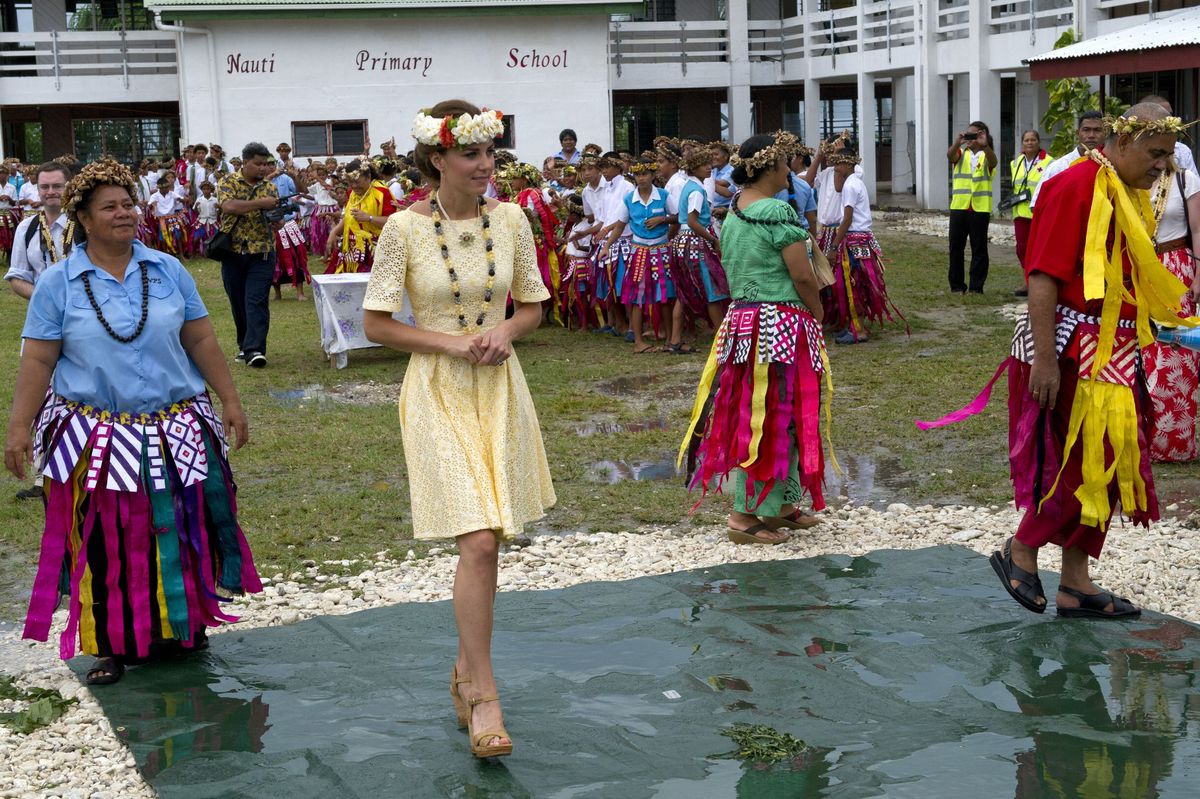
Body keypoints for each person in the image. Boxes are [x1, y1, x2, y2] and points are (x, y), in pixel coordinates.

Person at [921, 104, 1198, 618]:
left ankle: (1075, 582)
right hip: (1068, 349)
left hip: (1112, 351)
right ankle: (1021, 549)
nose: (1163, 166)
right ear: (1122, 141)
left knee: (1110, 465)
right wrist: (1045, 361)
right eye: (1155, 154)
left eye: (1168, 156)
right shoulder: (1075, 184)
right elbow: (1043, 277)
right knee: (1073, 464)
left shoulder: (1126, 190)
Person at [3, 159, 260, 685]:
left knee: (178, 524)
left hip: (177, 425)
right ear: (85, 218)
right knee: (106, 538)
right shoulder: (58, 284)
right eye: (110, 207)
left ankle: (180, 627)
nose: (124, 214)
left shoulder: (168, 270)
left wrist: (229, 400)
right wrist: (18, 428)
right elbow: (37, 360)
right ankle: (110, 643)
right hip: (97, 433)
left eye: (128, 204)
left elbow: (202, 339)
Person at [363, 99, 554, 759]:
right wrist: (450, 345)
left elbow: (533, 304)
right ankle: (484, 695)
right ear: (437, 158)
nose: (484, 165)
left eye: (488, 152)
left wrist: (505, 329)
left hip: (500, 389)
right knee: (475, 541)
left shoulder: (514, 219)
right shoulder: (403, 229)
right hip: (438, 392)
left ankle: (465, 670)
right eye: (469, 154)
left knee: (491, 540)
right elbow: (376, 322)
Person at [680, 131, 829, 545]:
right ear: (769, 168)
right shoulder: (777, 214)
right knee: (770, 419)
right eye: (785, 163)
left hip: (742, 323)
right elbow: (802, 275)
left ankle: (780, 505)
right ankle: (744, 516)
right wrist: (817, 316)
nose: (790, 169)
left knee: (772, 416)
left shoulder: (733, 212)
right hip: (779, 324)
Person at [1144, 156, 1200, 462]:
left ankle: (1175, 445)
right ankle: (1139, 441)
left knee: (1177, 355)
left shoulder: (1186, 180)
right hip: (1141, 270)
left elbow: (1198, 230)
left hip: (1176, 268)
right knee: (1143, 351)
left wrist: (1199, 275)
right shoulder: (1133, 179)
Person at [822, 147, 902, 344]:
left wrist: (833, 246)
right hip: (861, 238)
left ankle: (859, 330)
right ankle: (855, 326)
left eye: (838, 165)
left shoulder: (851, 185)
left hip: (854, 239)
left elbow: (847, 219)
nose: (835, 169)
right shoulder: (854, 182)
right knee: (857, 284)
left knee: (853, 285)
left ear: (848, 164)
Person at [599, 157, 674, 353]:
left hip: (661, 250)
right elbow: (620, 225)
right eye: (638, 175)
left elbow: (677, 217)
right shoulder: (629, 199)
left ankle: (668, 338)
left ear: (652, 175)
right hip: (639, 251)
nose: (641, 178)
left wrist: (662, 219)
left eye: (645, 174)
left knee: (665, 295)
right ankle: (639, 342)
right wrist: (607, 246)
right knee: (637, 297)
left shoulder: (664, 195)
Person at [216, 142, 281, 368]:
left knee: (256, 300)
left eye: (266, 164)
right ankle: (244, 345)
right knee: (238, 301)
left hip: (262, 252)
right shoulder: (227, 182)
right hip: (232, 252)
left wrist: (277, 216)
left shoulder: (271, 188)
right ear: (245, 162)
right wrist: (259, 204)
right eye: (258, 164)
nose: (263, 169)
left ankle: (255, 349)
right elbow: (229, 207)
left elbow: (277, 222)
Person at [672, 146, 729, 332]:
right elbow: (693, 221)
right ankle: (722, 335)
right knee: (711, 288)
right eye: (704, 164)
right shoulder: (697, 190)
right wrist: (713, 239)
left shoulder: (689, 186)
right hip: (693, 241)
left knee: (685, 290)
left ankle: (675, 339)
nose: (709, 167)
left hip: (682, 240)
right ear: (694, 168)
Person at [947, 120, 997, 294]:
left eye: (973, 135)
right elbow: (950, 156)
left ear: (982, 135)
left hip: (980, 208)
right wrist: (956, 142)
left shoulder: (987, 154)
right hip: (959, 206)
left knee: (979, 249)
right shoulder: (961, 152)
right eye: (967, 134)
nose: (968, 138)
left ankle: (976, 287)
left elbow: (994, 162)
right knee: (955, 247)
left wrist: (985, 146)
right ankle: (956, 286)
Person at [325, 158, 396, 273]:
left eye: (357, 182)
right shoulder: (352, 193)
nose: (354, 186)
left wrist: (369, 218)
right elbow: (348, 217)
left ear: (368, 178)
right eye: (350, 182)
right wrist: (334, 232)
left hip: (375, 250)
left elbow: (393, 221)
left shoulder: (382, 193)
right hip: (351, 247)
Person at [1029, 111, 1106, 208]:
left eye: (1097, 130)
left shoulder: (1113, 166)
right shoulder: (1059, 167)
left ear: (1105, 133)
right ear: (1078, 133)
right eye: (1086, 130)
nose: (1091, 135)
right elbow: (1037, 205)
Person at [1009, 130, 1053, 297]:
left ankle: (1035, 283)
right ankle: (1027, 280)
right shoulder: (1016, 163)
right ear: (1022, 143)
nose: (1029, 143)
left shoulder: (1049, 162)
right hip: (1020, 212)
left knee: (1037, 249)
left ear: (1038, 142)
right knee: (1022, 249)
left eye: (1033, 140)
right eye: (1026, 140)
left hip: (1039, 213)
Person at [192, 180, 221, 257]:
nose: (206, 191)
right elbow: (196, 212)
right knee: (196, 238)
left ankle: (212, 253)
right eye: (204, 189)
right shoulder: (199, 199)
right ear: (201, 190)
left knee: (214, 238)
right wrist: (195, 207)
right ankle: (194, 252)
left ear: (211, 190)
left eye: (207, 189)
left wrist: (219, 208)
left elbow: (218, 213)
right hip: (202, 221)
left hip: (212, 222)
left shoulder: (215, 200)